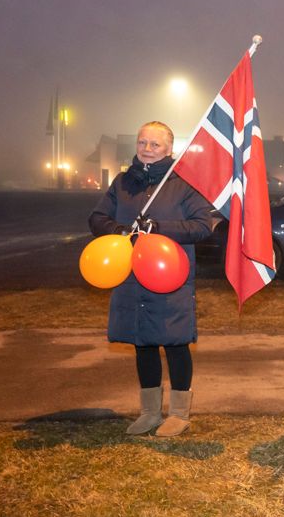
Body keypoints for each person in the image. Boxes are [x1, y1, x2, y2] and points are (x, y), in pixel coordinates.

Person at [89, 121, 216, 437]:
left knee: (174, 342)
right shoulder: (122, 183)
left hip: (169, 275)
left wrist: (159, 228)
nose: (147, 149)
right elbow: (96, 218)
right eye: (142, 142)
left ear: (170, 149)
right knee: (142, 342)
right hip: (131, 276)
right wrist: (119, 230)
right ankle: (149, 412)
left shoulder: (184, 185)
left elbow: (202, 225)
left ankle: (178, 413)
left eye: (155, 144)